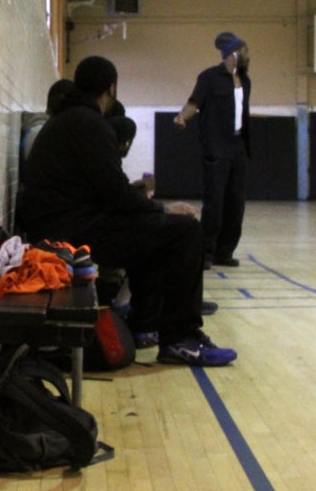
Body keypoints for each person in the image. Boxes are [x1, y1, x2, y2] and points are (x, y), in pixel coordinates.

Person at [18, 56, 236, 366]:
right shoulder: (88, 123)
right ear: (111, 88)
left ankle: (145, 325)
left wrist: (151, 212)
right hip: (70, 237)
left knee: (148, 230)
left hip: (60, 227)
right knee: (185, 231)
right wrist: (162, 209)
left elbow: (109, 193)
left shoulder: (67, 120)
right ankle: (182, 338)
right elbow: (117, 194)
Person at [174, 32, 252, 269]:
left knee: (236, 201)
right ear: (232, 54)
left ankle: (224, 252)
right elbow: (194, 103)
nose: (248, 56)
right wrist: (181, 117)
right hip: (216, 145)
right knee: (214, 201)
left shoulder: (245, 80)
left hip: (239, 146)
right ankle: (206, 251)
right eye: (245, 51)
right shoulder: (209, 77)